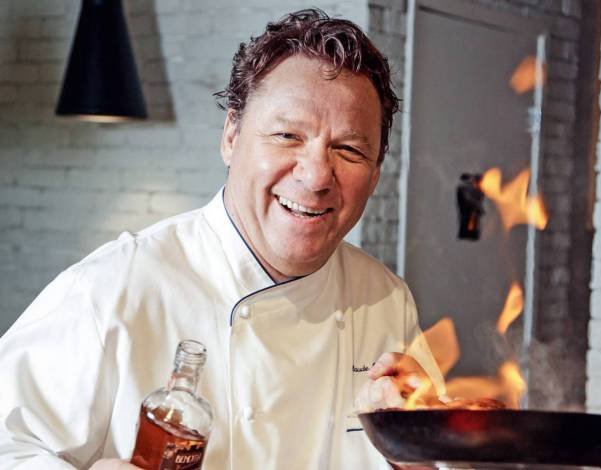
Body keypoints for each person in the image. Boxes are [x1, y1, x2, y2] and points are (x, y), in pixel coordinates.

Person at [0, 9, 441, 470]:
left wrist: (419, 458)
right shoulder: (114, 288)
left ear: (376, 175)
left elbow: (440, 457)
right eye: (287, 135)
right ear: (231, 136)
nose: (315, 177)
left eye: (348, 149)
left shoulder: (385, 300)